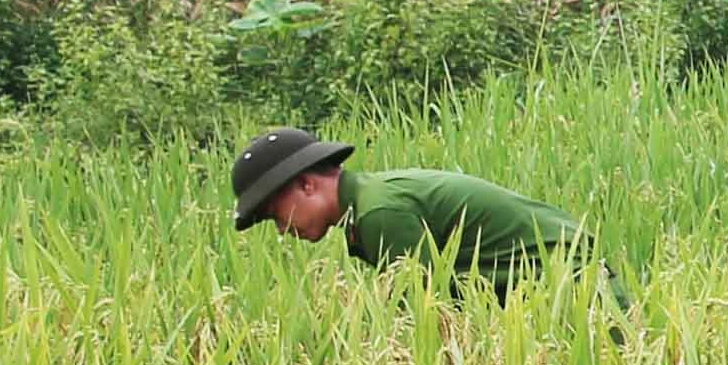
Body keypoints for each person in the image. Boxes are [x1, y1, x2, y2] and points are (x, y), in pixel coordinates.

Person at [231, 127, 585, 289]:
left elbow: (430, 316)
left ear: (307, 185)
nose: (281, 229)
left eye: (277, 215)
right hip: (560, 280)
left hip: (572, 285)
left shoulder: (379, 213)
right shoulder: (369, 202)